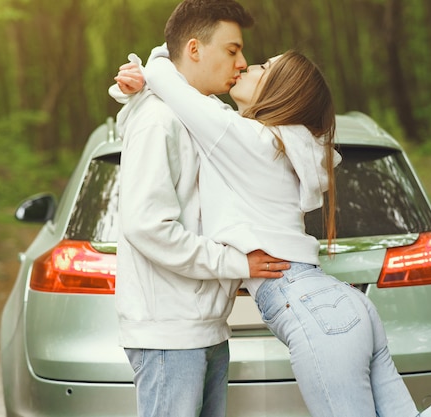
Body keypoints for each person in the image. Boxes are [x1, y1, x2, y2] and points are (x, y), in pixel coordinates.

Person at [114, 45, 431, 417]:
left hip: (313, 311)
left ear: (280, 92)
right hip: (340, 307)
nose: (246, 65)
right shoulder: (281, 145)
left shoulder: (251, 142)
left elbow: (180, 86)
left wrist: (151, 66)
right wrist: (136, 88)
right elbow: (183, 103)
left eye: (263, 66)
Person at [110, 1, 289, 417]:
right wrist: (237, 262)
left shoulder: (201, 117)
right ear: (194, 49)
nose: (242, 63)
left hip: (206, 329)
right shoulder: (159, 120)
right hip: (170, 336)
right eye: (232, 50)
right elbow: (147, 226)